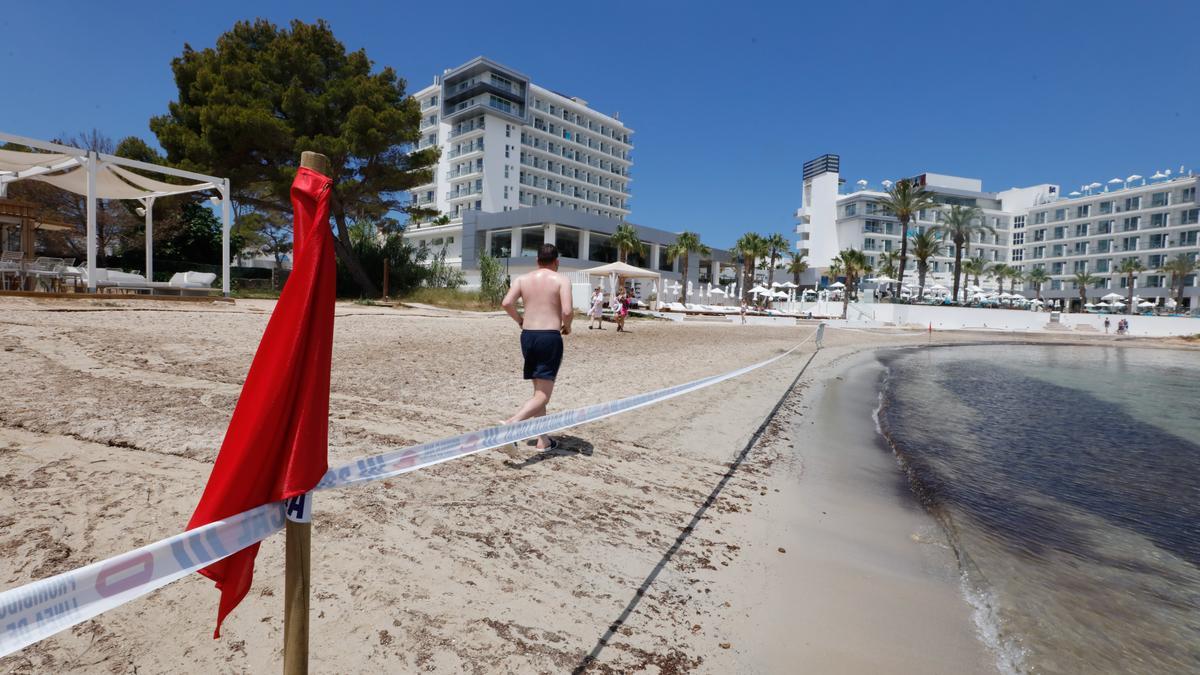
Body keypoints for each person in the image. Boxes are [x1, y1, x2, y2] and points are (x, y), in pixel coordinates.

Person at [500, 244, 572, 451]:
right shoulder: (561, 280)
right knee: (544, 395)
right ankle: (512, 424)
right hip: (549, 336)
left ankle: (543, 440)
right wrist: (568, 327)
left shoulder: (523, 279)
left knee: (538, 391)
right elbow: (567, 311)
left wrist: (520, 320)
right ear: (556, 262)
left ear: (537, 260)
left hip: (528, 335)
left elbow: (506, 303)